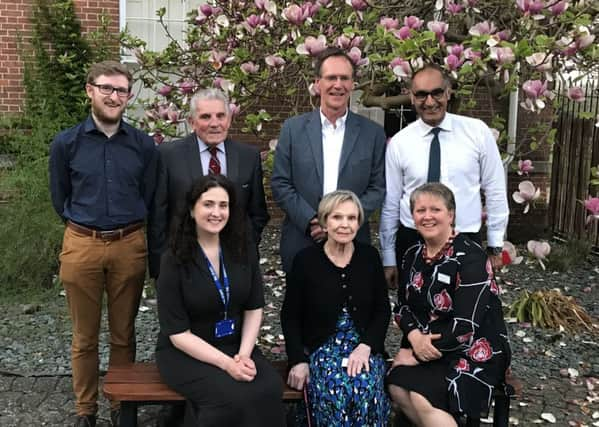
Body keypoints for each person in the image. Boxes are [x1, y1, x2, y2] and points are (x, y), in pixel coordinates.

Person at [49, 60, 159, 427]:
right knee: (84, 336)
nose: (114, 96)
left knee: (124, 333)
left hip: (130, 244)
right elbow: (59, 195)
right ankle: (86, 409)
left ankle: (119, 404)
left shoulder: (143, 145)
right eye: (106, 88)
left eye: (121, 90)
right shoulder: (66, 143)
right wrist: (82, 227)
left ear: (129, 96)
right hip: (82, 244)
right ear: (90, 91)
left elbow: (149, 194)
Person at [155, 174, 285, 427]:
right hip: (186, 352)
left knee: (269, 387)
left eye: (223, 205)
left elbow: (254, 307)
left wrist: (244, 355)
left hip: (235, 345)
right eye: (208, 204)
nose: (216, 212)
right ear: (192, 210)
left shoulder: (242, 249)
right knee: (229, 398)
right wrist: (227, 364)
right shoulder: (173, 259)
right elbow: (178, 333)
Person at [386, 183, 511, 426]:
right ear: (413, 217)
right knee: (397, 385)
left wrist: (418, 354)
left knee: (423, 397)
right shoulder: (412, 254)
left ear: (451, 215)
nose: (428, 216)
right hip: (427, 345)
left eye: (436, 209)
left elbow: (465, 325)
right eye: (420, 210)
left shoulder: (471, 257)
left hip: (475, 348)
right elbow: (403, 308)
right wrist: (412, 337)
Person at [379, 64, 509, 289]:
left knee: (466, 311)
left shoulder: (477, 132)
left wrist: (496, 244)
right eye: (421, 94)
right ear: (411, 97)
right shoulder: (400, 142)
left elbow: (495, 188)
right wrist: (389, 257)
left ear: (448, 93)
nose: (429, 102)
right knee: (415, 311)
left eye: (437, 92)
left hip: (465, 236)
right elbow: (391, 201)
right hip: (414, 238)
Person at [271, 47, 386, 272]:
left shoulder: (372, 134)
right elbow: (281, 183)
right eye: (331, 77)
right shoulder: (292, 130)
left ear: (353, 84)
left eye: (344, 78)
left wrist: (342, 223)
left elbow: (378, 187)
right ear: (317, 83)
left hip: (353, 242)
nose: (338, 84)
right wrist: (313, 221)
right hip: (303, 238)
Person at [281, 190, 391, 426]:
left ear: (359, 223)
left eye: (351, 218)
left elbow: (383, 310)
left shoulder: (369, 257)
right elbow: (289, 316)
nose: (344, 225)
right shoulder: (305, 260)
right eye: (337, 217)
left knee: (365, 387)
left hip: (363, 346)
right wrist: (297, 359)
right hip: (322, 348)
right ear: (324, 222)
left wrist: (367, 346)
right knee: (334, 389)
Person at [148, 88, 269, 279]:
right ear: (191, 122)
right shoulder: (168, 156)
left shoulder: (248, 156)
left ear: (229, 120)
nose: (215, 123)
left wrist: (244, 245)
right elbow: (158, 215)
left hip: (235, 261)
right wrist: (162, 267)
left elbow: (258, 212)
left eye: (221, 116)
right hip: (182, 262)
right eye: (205, 117)